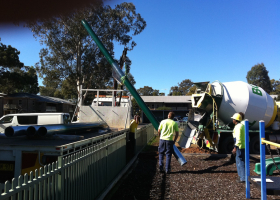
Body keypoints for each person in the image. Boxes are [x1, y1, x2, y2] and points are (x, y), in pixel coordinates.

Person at [231, 113, 245, 183]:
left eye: (233, 119)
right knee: (239, 161)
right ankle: (241, 176)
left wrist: (235, 147)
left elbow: (238, 138)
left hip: (240, 146)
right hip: (241, 145)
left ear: (235, 120)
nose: (232, 120)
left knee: (240, 162)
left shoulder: (238, 127)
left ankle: (242, 177)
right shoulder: (241, 125)